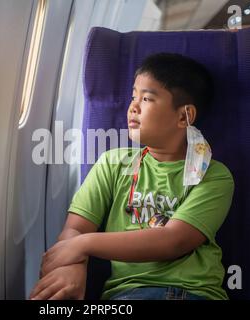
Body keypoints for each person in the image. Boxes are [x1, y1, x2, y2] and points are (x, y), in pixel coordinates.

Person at [29, 52, 236, 300]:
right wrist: (74, 268)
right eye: (133, 96)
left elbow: (173, 241)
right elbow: (75, 228)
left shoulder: (213, 175)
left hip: (192, 293)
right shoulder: (114, 163)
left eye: (146, 98)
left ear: (184, 116)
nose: (133, 107)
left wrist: (81, 246)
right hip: (127, 294)